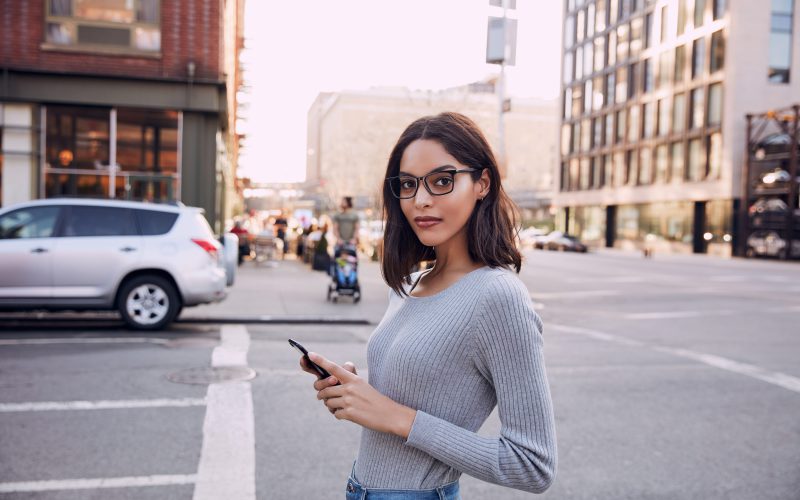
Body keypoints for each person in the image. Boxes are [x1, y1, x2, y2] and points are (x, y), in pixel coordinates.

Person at [298, 112, 557, 498]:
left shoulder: (498, 296)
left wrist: (397, 419)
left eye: (441, 181)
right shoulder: (410, 283)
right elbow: (419, 396)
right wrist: (355, 392)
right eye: (408, 184)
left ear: (482, 183)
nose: (420, 200)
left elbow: (532, 465)